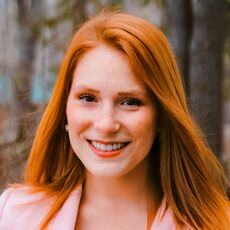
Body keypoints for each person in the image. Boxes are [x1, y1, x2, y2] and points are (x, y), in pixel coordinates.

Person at [0, 9, 229, 230]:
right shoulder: (13, 216)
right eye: (88, 98)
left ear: (162, 116)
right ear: (64, 109)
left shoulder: (218, 224)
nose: (106, 124)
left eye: (130, 102)